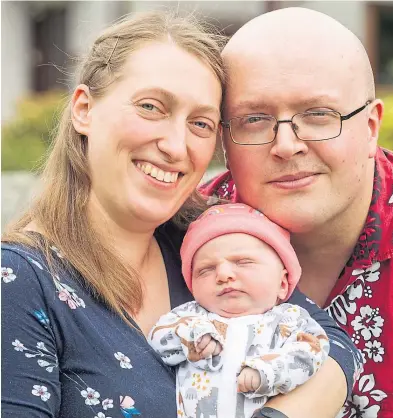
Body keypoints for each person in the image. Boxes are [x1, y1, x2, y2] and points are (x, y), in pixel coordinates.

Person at [1, 9, 361, 418]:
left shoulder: (199, 240)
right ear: (84, 109)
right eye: (152, 107)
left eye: (201, 123)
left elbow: (333, 345)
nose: (176, 145)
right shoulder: (18, 283)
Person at [202, 7, 393, 417]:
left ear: (371, 126)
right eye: (254, 119)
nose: (287, 144)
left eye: (318, 115)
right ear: (224, 137)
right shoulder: (168, 241)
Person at [149, 203, 331, 417]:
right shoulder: (191, 316)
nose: (224, 274)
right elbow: (158, 340)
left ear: (282, 284)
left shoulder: (288, 320)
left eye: (243, 262)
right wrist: (190, 338)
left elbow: (312, 352)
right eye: (206, 270)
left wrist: (269, 371)